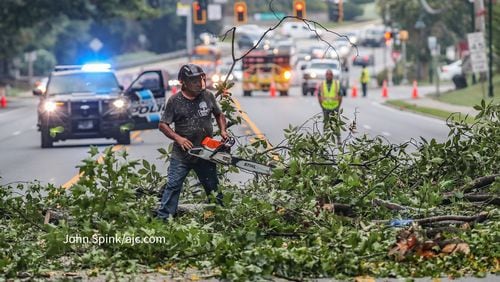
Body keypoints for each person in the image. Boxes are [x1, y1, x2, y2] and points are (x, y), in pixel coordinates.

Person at [157, 63, 228, 220]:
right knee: (173, 186)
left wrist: (223, 130)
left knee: (212, 187)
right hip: (182, 155)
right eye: (194, 80)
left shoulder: (207, 96)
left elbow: (219, 114)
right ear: (184, 82)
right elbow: (163, 124)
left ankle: (221, 218)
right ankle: (163, 219)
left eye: (200, 79)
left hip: (205, 153)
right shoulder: (175, 101)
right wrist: (178, 138)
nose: (198, 83)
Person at [317, 69, 342, 143]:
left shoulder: (336, 84)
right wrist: (321, 105)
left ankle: (338, 139)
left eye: (330, 74)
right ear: (325, 75)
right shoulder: (322, 84)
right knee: (326, 124)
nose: (328, 76)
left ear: (332, 76)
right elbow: (319, 96)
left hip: (335, 107)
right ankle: (325, 139)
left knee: (336, 124)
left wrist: (338, 106)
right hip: (325, 107)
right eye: (327, 74)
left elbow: (340, 96)